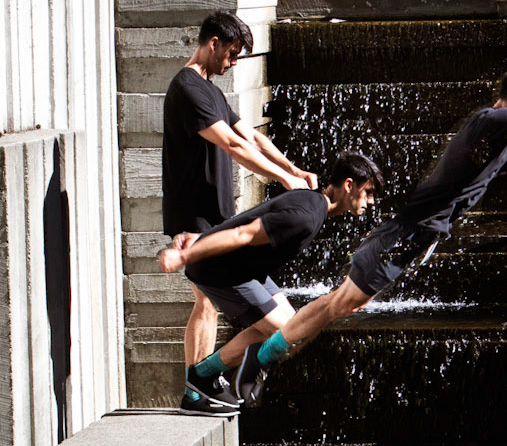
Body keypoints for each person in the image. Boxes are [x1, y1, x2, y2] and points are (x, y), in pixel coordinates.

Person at [226, 18, 507, 405]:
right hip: (408, 234)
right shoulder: (493, 121)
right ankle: (258, 359)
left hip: (413, 234)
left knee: (345, 303)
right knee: (340, 304)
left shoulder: (498, 131)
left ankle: (257, 359)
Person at [164, 152, 383, 414]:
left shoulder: (311, 201)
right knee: (281, 331)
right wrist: (186, 254)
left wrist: (202, 237)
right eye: (368, 192)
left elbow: (251, 218)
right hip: (221, 269)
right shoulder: (305, 216)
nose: (371, 202)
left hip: (244, 268)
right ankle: (201, 378)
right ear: (349, 185)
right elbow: (242, 234)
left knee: (293, 327)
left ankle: (202, 381)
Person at [162, 12, 318, 367]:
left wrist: (292, 169)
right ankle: (196, 385)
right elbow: (232, 145)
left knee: (207, 302)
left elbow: (250, 136)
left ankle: (199, 383)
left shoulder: (210, 91)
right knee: (206, 301)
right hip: (193, 214)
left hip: (215, 215)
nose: (233, 62)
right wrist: (281, 180)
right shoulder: (187, 89)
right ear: (213, 43)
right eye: (232, 53)